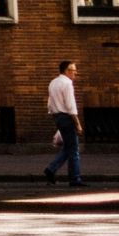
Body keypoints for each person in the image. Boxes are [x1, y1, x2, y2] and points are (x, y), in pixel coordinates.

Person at [43, 59, 86, 188]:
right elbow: (70, 105)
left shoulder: (53, 82)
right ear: (67, 71)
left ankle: (51, 169)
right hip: (67, 117)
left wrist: (55, 117)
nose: (75, 73)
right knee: (74, 150)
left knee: (68, 147)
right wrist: (77, 124)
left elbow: (50, 103)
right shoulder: (67, 84)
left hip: (57, 117)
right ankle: (75, 178)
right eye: (74, 70)